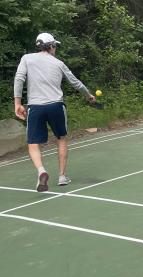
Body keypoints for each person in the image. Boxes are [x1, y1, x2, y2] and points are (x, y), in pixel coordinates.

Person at [14, 33, 96, 192]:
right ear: (50, 46)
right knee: (61, 139)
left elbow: (19, 79)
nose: (55, 48)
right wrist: (88, 95)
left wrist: (17, 103)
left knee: (33, 143)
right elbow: (75, 83)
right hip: (56, 106)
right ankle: (62, 176)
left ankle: (41, 171)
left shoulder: (26, 58)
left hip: (35, 107)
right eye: (55, 46)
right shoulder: (59, 63)